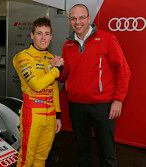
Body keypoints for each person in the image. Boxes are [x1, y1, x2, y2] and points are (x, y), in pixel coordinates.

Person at [58, 4, 131, 167]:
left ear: (89, 18)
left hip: (102, 105)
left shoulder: (107, 39)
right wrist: (57, 68)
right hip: (76, 105)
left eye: (81, 17)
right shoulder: (67, 45)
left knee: (107, 152)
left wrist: (118, 100)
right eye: (73, 18)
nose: (78, 22)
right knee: (82, 151)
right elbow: (64, 77)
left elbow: (124, 71)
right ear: (70, 21)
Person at [13, 17, 64, 167]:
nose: (43, 38)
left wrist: (58, 115)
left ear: (51, 36)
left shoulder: (51, 58)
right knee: (26, 158)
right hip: (32, 113)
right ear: (32, 35)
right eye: (39, 33)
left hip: (50, 114)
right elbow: (36, 85)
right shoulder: (23, 57)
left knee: (42, 158)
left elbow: (54, 88)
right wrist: (56, 70)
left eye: (47, 34)